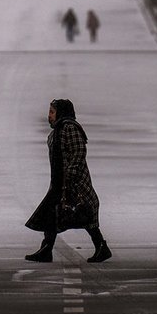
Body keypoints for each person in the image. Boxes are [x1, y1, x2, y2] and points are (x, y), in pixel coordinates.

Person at [25, 99, 111, 263]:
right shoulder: (57, 131)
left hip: (75, 183)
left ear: (61, 113)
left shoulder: (69, 127)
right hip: (59, 183)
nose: (49, 116)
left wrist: (70, 175)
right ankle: (46, 249)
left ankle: (101, 247)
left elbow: (79, 151)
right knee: (52, 215)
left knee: (84, 214)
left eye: (52, 112)